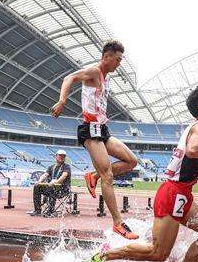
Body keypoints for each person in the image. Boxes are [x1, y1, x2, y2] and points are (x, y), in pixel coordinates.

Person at [87, 86, 198, 262]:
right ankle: (106, 254)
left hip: (182, 195)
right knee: (158, 253)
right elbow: (194, 150)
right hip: (173, 194)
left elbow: (189, 164)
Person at [51, 40, 139, 238]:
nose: (119, 64)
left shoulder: (107, 78)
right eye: (117, 59)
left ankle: (93, 176)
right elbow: (69, 78)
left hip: (102, 129)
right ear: (106, 57)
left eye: (120, 60)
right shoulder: (93, 71)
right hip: (90, 130)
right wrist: (63, 100)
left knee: (131, 161)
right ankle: (118, 223)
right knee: (108, 176)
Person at [29, 149, 72, 216]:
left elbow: (64, 176)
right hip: (51, 188)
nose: (61, 157)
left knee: (52, 186)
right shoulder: (51, 167)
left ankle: (51, 211)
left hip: (63, 190)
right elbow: (45, 175)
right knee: (36, 186)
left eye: (63, 156)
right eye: (60, 155)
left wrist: (56, 182)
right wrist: (39, 181)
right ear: (56, 156)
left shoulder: (66, 166)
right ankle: (37, 210)